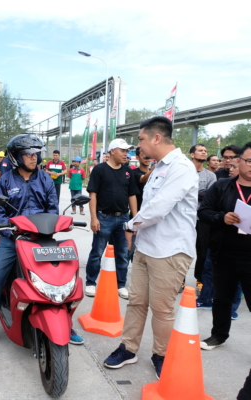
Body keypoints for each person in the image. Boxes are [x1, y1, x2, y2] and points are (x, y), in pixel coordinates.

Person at [103, 116, 198, 380]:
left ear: (157, 138)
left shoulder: (181, 167)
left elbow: (159, 208)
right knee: (136, 302)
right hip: (146, 246)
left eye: (141, 139)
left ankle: (161, 354)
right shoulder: (158, 167)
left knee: (162, 308)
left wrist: (129, 225)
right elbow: (148, 206)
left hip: (170, 250)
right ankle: (128, 348)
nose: (138, 146)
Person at [0, 134, 83, 348]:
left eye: (36, 154)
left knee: (65, 279)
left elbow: (52, 208)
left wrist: (56, 224)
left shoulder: (46, 179)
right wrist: (9, 228)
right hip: (13, 239)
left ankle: (66, 324)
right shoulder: (5, 180)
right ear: (16, 157)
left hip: (43, 238)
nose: (34, 158)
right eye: (28, 154)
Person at [198, 142, 251, 351]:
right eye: (249, 161)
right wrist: (222, 217)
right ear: (239, 160)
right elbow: (204, 211)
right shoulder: (221, 186)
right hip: (224, 253)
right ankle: (218, 335)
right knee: (221, 298)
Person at [85, 138, 138, 299]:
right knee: (97, 252)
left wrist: (134, 219)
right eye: (123, 150)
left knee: (123, 253)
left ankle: (120, 285)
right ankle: (90, 282)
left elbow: (132, 195)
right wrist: (94, 218)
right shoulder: (99, 170)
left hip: (123, 219)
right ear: (112, 151)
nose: (125, 154)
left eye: (127, 151)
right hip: (104, 218)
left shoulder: (128, 172)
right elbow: (92, 194)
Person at [185, 144, 216, 296]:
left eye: (205, 151)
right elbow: (180, 192)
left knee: (202, 251)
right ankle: (179, 280)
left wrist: (191, 192)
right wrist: (200, 193)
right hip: (185, 217)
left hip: (202, 219)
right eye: (200, 150)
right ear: (192, 154)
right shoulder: (184, 172)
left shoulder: (211, 176)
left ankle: (200, 280)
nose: (204, 153)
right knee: (182, 250)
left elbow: (210, 197)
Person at [128, 147, 155, 261]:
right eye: (144, 155)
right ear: (137, 157)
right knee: (130, 250)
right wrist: (155, 168)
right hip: (137, 215)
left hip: (151, 217)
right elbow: (143, 179)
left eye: (149, 155)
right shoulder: (134, 173)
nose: (147, 157)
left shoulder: (157, 174)